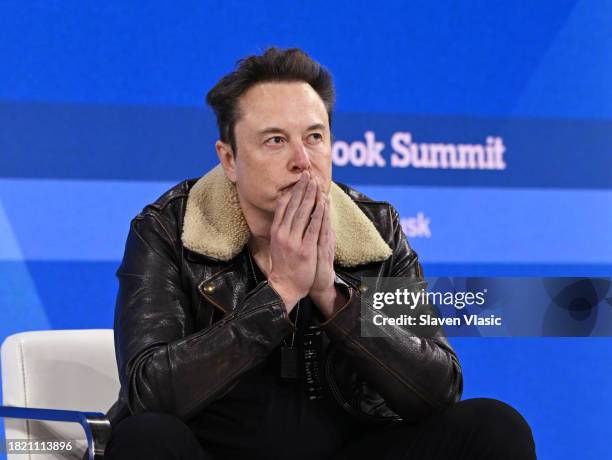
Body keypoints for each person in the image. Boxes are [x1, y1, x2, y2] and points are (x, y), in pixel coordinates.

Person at [103, 47, 536, 459]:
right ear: (229, 159)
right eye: (275, 140)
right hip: (212, 451)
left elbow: (438, 387)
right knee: (147, 437)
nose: (302, 161)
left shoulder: (376, 232)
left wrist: (333, 296)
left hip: (352, 451)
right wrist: (280, 294)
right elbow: (148, 392)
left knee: (495, 426)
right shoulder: (167, 229)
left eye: (314, 137)